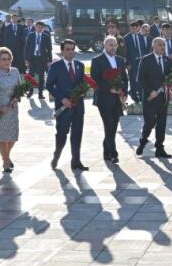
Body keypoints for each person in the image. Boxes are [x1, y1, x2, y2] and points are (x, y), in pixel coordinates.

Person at [48, 40, 89, 171]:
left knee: (77, 134)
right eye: (67, 49)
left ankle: (76, 161)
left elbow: (82, 83)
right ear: (62, 51)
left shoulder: (80, 65)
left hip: (78, 107)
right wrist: (61, 98)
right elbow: (49, 85)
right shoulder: (56, 67)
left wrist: (83, 91)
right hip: (64, 107)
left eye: (72, 49)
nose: (71, 52)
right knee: (62, 134)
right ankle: (57, 155)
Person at [90, 36, 128, 164]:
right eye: (110, 45)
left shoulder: (120, 60)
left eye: (115, 45)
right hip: (104, 98)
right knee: (109, 125)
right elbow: (95, 80)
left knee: (113, 127)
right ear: (104, 46)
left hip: (117, 99)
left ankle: (106, 152)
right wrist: (109, 89)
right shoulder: (97, 60)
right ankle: (113, 153)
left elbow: (125, 78)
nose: (113, 47)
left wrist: (124, 93)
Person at [137, 36, 172, 159]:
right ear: (153, 46)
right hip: (150, 97)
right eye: (159, 45)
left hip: (163, 97)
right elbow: (140, 79)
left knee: (162, 123)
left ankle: (159, 148)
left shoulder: (167, 60)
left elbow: (169, 76)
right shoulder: (146, 60)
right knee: (150, 122)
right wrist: (150, 91)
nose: (162, 47)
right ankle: (143, 141)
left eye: (163, 45)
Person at [0, 47, 22, 173]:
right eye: (3, 59)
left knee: (12, 137)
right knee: (2, 137)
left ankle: (6, 156)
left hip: (12, 108)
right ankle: (6, 162)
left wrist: (17, 97)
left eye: (9, 59)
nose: (7, 61)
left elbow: (19, 88)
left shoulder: (15, 71)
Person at [23, 20, 52, 99]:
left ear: (43, 28)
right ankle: (30, 91)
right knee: (31, 76)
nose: (39, 29)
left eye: (41, 28)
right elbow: (26, 48)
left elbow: (49, 49)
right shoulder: (30, 35)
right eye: (38, 27)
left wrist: (49, 60)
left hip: (42, 59)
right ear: (35, 27)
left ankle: (40, 93)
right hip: (32, 58)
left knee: (41, 77)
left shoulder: (46, 36)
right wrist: (26, 59)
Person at [125, 20, 150, 103]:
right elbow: (126, 52)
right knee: (133, 80)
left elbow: (144, 49)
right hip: (132, 63)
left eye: (134, 28)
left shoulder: (141, 37)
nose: (132, 30)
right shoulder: (126, 38)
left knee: (140, 79)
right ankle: (134, 97)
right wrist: (127, 64)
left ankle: (140, 96)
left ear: (137, 29)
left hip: (141, 62)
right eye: (131, 28)